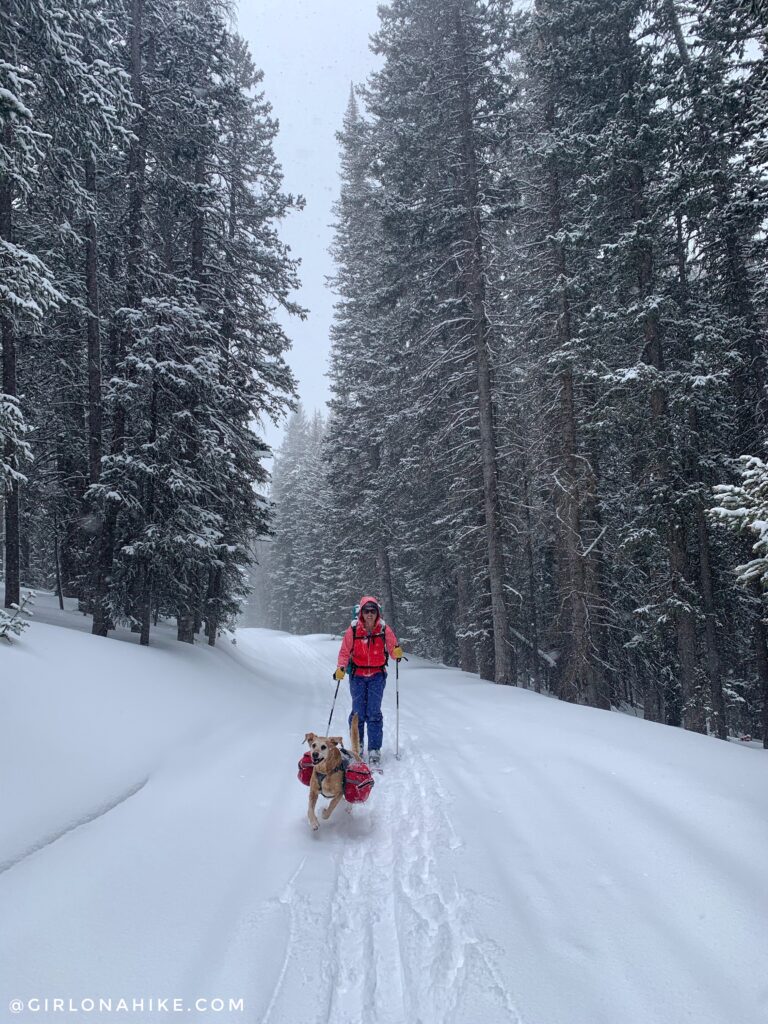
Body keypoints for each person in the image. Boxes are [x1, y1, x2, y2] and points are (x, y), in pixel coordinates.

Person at [335, 596, 403, 765]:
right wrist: (341, 667)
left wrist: (397, 653)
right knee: (357, 712)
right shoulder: (353, 630)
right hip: (357, 675)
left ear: (377, 613)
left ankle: (374, 749)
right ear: (362, 613)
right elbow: (344, 651)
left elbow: (393, 649)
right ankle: (357, 747)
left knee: (373, 712)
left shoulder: (384, 629)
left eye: (373, 611)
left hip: (377, 676)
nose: (370, 614)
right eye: (367, 611)